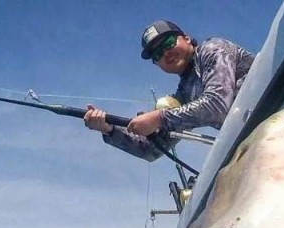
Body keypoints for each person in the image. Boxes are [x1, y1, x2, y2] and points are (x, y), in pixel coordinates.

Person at [83, 19, 255, 161]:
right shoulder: (184, 95)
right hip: (257, 135)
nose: (166, 54)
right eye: (157, 55)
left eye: (168, 43)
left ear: (186, 38)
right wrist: (109, 129)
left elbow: (216, 106)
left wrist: (158, 118)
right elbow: (151, 150)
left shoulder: (212, 49)